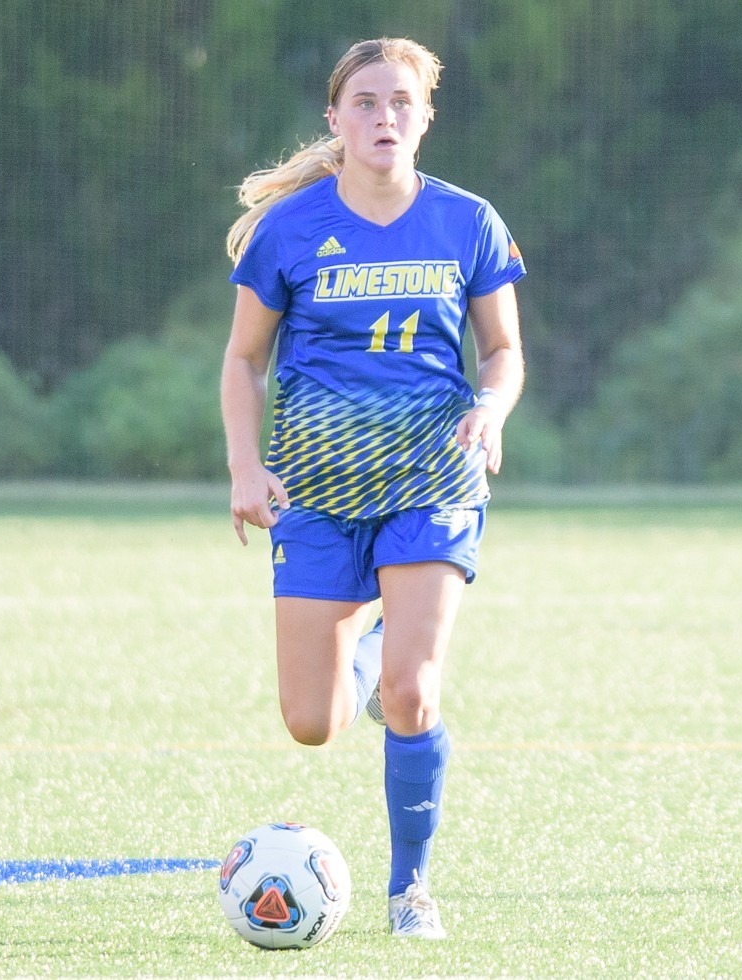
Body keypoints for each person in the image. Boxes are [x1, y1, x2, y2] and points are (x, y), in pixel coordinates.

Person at [220, 37, 525, 940]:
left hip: (432, 480)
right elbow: (243, 361)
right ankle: (380, 642)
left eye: (401, 102)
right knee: (312, 722)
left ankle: (410, 893)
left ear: (426, 118)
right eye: (365, 102)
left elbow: (503, 351)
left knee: (412, 693)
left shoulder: (468, 221)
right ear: (335, 119)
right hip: (315, 491)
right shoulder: (289, 229)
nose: (384, 117)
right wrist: (244, 466)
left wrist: (491, 407)